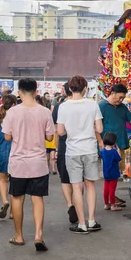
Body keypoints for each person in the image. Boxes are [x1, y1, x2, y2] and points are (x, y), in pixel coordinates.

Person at [3, 78, 55, 252]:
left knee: (17, 198)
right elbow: (49, 137)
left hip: (18, 163)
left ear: (19, 93)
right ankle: (38, 235)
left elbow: (8, 137)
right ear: (35, 91)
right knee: (37, 198)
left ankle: (18, 236)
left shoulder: (12, 112)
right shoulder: (45, 112)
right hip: (39, 163)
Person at [57, 75, 103, 234]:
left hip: (72, 151)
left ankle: (81, 224)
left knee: (76, 187)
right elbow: (100, 129)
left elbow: (60, 131)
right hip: (90, 149)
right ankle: (92, 220)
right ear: (85, 88)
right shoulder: (93, 105)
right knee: (90, 186)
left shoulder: (63, 106)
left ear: (69, 88)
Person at [99, 83, 131, 205]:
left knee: (116, 172)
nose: (121, 100)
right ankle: (110, 199)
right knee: (110, 173)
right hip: (107, 147)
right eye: (120, 97)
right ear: (112, 93)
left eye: (123, 98)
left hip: (120, 143)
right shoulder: (101, 106)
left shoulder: (122, 107)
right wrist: (100, 142)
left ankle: (112, 197)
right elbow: (96, 125)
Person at [52, 82, 78, 224]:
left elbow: (57, 130)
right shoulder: (85, 105)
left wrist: (56, 149)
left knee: (65, 179)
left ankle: (70, 204)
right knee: (78, 180)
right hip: (81, 147)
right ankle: (78, 204)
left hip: (64, 146)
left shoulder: (59, 107)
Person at [0, 94, 17, 219]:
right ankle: (13, 210)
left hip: (2, 148)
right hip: (16, 148)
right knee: (14, 180)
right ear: (13, 104)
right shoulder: (17, 113)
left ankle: (4, 201)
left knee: (2, 179)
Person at [100, 132, 122, 211]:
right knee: (112, 190)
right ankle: (113, 205)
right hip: (113, 174)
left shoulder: (103, 151)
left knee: (106, 189)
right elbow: (119, 159)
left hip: (106, 173)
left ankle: (106, 204)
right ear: (114, 142)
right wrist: (118, 151)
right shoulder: (114, 152)